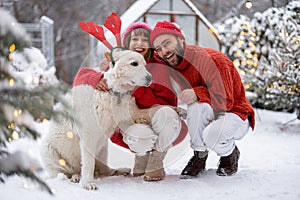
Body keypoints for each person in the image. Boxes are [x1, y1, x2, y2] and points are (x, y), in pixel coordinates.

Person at [73, 22, 188, 181]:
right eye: (135, 39)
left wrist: (137, 90)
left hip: (156, 119)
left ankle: (156, 160)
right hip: (133, 124)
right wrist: (97, 78)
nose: (139, 43)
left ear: (151, 45)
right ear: (128, 43)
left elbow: (166, 103)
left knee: (167, 115)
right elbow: (82, 75)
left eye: (144, 39)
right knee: (140, 134)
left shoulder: (159, 67)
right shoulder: (118, 61)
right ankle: (141, 157)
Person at [149, 21, 255, 178]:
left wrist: (197, 92)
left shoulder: (213, 60)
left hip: (235, 113)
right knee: (196, 107)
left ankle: (230, 153)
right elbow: (143, 60)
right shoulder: (170, 62)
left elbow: (226, 102)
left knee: (212, 136)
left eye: (167, 43)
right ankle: (199, 155)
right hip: (210, 109)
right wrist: (109, 63)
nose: (164, 51)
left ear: (180, 39)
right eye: (158, 48)